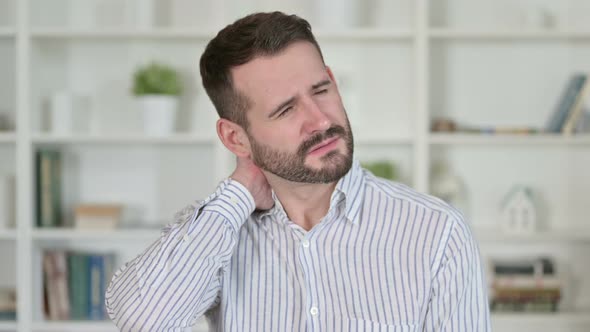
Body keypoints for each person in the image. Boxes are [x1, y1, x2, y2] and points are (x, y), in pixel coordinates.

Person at [105, 11, 491, 331]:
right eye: (286, 109)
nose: (320, 121)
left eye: (321, 91)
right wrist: (238, 191)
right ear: (236, 139)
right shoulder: (222, 237)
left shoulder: (438, 233)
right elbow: (142, 321)